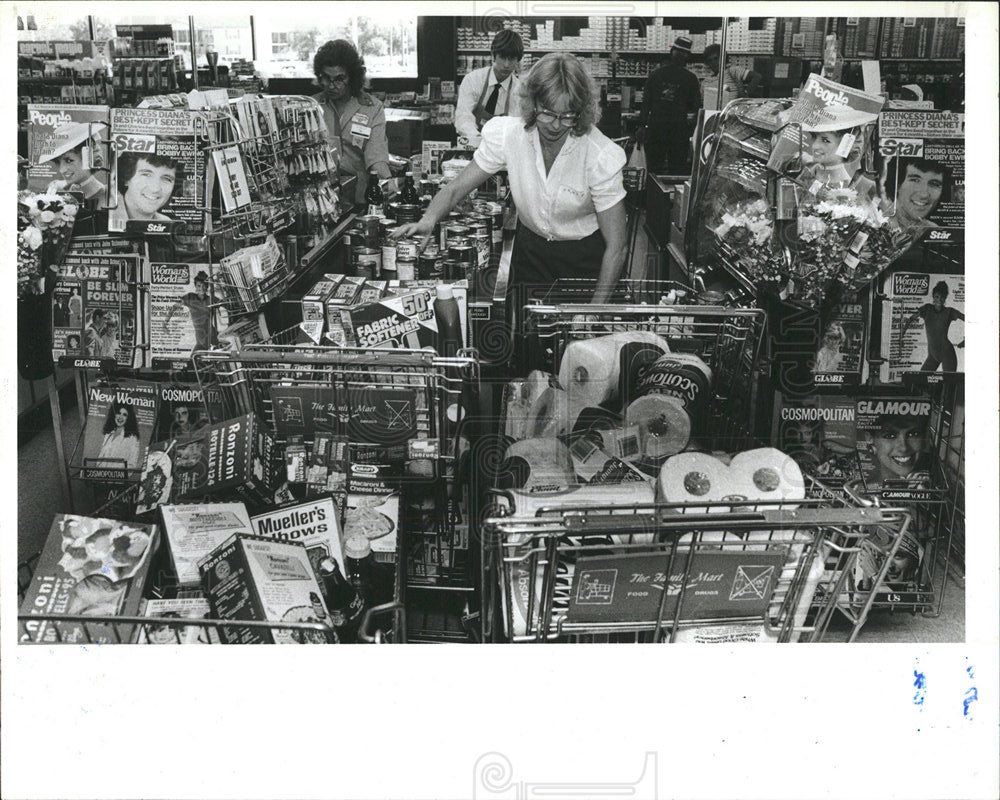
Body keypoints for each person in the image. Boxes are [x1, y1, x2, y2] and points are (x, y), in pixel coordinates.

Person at [392, 53, 628, 304]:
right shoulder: (509, 135)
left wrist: (594, 308)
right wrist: (429, 218)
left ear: (580, 113)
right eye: (548, 113)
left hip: (584, 262)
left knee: (579, 340)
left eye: (567, 116)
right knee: (529, 337)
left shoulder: (599, 155)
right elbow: (456, 187)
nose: (556, 126)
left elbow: (617, 246)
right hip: (531, 255)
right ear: (532, 103)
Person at [312, 39, 391, 206]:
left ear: (353, 77)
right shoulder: (311, 106)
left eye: (339, 79)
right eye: (326, 78)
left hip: (358, 198)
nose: (332, 86)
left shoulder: (372, 108)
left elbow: (376, 157)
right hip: (320, 201)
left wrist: (388, 185)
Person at [638, 36, 702, 174]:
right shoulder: (689, 78)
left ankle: (656, 195)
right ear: (672, 51)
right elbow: (697, 107)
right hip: (671, 128)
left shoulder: (657, 74)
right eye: (679, 51)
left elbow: (646, 103)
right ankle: (667, 195)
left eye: (683, 52)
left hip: (665, 127)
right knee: (673, 167)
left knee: (657, 167)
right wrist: (642, 126)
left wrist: (642, 126)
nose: (680, 55)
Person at [455, 29, 524, 142]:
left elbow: (518, 126)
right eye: (502, 57)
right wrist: (477, 139)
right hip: (474, 143)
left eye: (511, 58)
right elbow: (463, 116)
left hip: (504, 147)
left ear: (518, 60)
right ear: (493, 55)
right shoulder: (473, 80)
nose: (506, 65)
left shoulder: (520, 90)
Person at [901, 280, 965, 372]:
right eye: (937, 297)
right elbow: (910, 320)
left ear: (945, 298)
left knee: (948, 383)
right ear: (933, 297)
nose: (939, 300)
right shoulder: (927, 309)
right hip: (932, 355)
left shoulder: (949, 311)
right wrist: (901, 338)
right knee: (921, 381)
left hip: (947, 353)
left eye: (942, 297)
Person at [39, 121, 108, 204]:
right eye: (57, 162)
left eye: (69, 161)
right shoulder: (56, 188)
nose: (62, 170)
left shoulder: (107, 195)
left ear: (88, 158)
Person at [109, 153, 182, 231]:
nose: (155, 188)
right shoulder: (105, 214)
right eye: (146, 175)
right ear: (127, 178)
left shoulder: (168, 224)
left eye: (167, 179)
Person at [881, 157, 949, 234]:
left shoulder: (934, 231)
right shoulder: (875, 221)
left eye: (934, 184)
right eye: (915, 180)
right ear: (897, 184)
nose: (924, 195)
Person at [866, 414, 932, 486]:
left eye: (913, 434)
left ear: (925, 437)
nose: (904, 448)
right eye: (890, 436)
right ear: (870, 439)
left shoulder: (940, 480)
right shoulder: (858, 492)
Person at [164, 271, 217, 352]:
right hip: (200, 340)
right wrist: (165, 323)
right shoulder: (190, 297)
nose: (202, 288)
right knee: (194, 361)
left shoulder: (212, 299)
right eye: (199, 286)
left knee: (199, 361)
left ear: (207, 286)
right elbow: (174, 307)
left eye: (204, 285)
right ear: (195, 286)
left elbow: (228, 305)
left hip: (211, 338)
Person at [702, 43, 760, 109]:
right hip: (714, 113)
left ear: (723, 58)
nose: (714, 62)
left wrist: (746, 94)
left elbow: (756, 76)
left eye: (716, 58)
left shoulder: (732, 71)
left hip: (732, 113)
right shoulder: (705, 82)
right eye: (710, 60)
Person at [97, 400, 142, 471]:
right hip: (100, 478)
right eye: (118, 413)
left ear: (129, 418)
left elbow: (131, 465)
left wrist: (113, 475)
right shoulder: (108, 434)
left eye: (124, 415)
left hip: (117, 480)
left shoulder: (133, 438)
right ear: (114, 414)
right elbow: (100, 460)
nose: (120, 417)